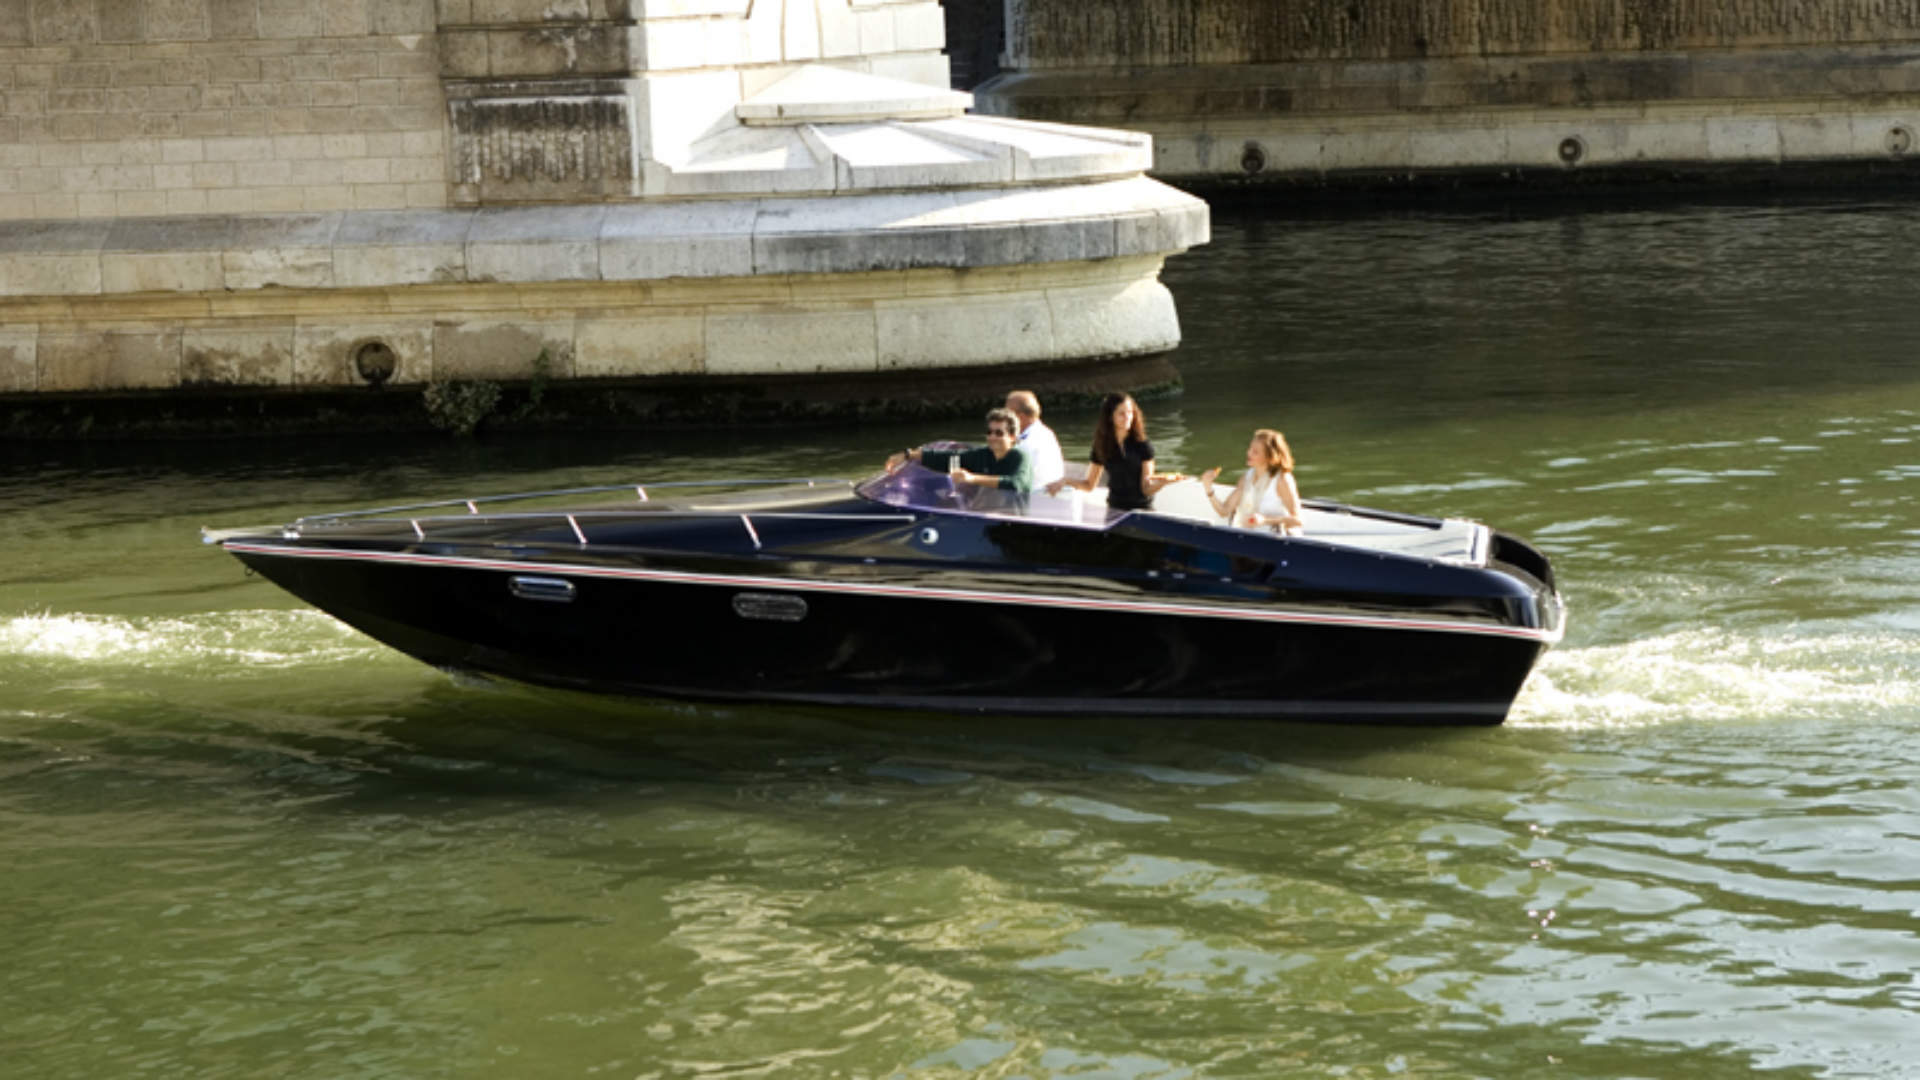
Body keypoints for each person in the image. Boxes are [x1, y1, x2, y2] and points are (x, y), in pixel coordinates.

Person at [1043, 392, 1183, 510]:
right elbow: (1089, 485)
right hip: (1114, 509)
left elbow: (1146, 488)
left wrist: (1164, 482)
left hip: (1141, 510)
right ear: (1111, 416)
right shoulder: (1102, 446)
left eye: (1130, 412)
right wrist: (1065, 481)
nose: (1127, 417)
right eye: (1121, 413)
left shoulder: (1143, 446)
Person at [886, 408, 1034, 493]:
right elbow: (947, 457)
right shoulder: (983, 454)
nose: (992, 437)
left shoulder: (1020, 456)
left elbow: (1016, 484)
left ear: (1013, 437)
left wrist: (972, 478)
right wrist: (908, 454)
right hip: (985, 515)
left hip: (1013, 520)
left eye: (999, 433)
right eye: (989, 432)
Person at [1201, 428, 1304, 534]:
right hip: (1251, 539)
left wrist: (1265, 521)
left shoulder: (1282, 479)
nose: (1249, 453)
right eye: (1250, 448)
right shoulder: (1246, 478)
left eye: (1255, 452)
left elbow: (1298, 520)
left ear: (1270, 457)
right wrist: (1208, 487)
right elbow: (1224, 511)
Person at [1004, 389, 1064, 487]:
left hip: (1033, 497)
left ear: (1020, 417)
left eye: (1007, 414)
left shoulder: (1027, 444)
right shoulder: (1046, 433)